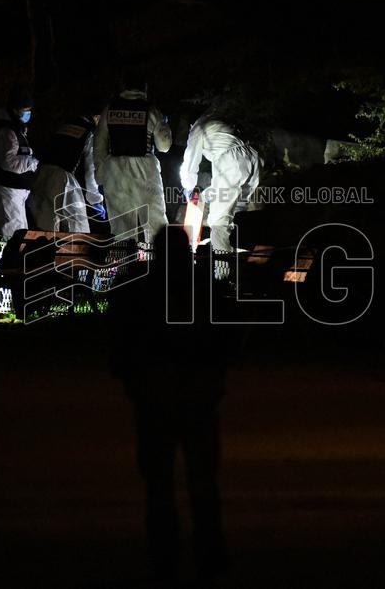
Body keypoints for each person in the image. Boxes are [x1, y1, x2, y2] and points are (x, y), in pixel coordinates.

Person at [110, 228, 232, 582]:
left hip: (155, 398)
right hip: (196, 397)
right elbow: (225, 339)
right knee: (201, 481)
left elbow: (120, 344)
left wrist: (134, 382)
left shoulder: (139, 292)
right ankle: (209, 555)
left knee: (159, 483)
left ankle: (165, 556)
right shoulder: (205, 289)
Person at [94, 71, 173, 245]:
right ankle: (160, 259)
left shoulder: (110, 109)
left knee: (121, 229)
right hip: (145, 171)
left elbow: (99, 143)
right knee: (155, 223)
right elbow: (164, 146)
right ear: (144, 88)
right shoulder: (151, 109)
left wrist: (100, 173)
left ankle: (123, 261)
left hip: (115, 172)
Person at [181, 111, 261, 277]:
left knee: (219, 222)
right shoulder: (216, 120)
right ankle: (235, 259)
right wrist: (202, 196)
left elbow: (190, 162)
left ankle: (222, 275)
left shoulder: (197, 129)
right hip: (252, 159)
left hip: (232, 162)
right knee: (236, 213)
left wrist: (188, 187)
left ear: (190, 125)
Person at [27, 100, 103, 233]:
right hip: (62, 179)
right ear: (96, 117)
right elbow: (90, 171)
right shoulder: (89, 133)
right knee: (78, 227)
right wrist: (95, 199)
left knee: (46, 228)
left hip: (42, 174)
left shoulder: (65, 125)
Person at [0, 84, 38, 238]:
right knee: (12, 236)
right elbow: (8, 162)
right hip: (7, 191)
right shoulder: (7, 131)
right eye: (24, 110)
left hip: (13, 192)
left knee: (17, 234)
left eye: (29, 110)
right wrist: (32, 163)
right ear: (14, 110)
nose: (27, 114)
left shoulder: (16, 129)